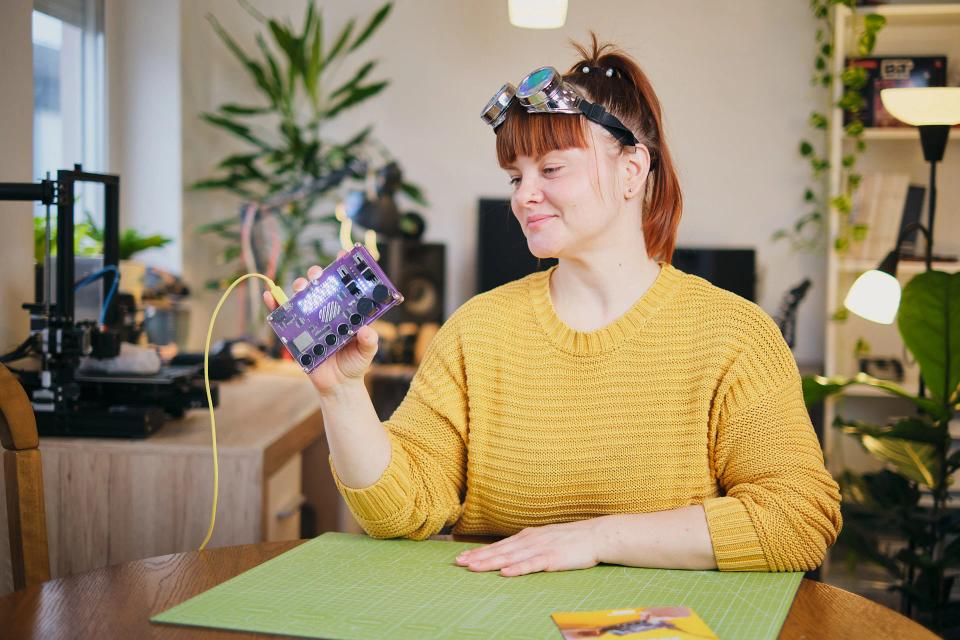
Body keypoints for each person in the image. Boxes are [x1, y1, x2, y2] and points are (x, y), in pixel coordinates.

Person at [263, 34, 841, 577]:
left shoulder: (732, 335)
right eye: (516, 176)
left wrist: (595, 538)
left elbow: (797, 519)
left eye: (552, 169)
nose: (523, 196)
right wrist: (341, 394)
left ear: (632, 170)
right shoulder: (478, 330)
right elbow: (402, 510)